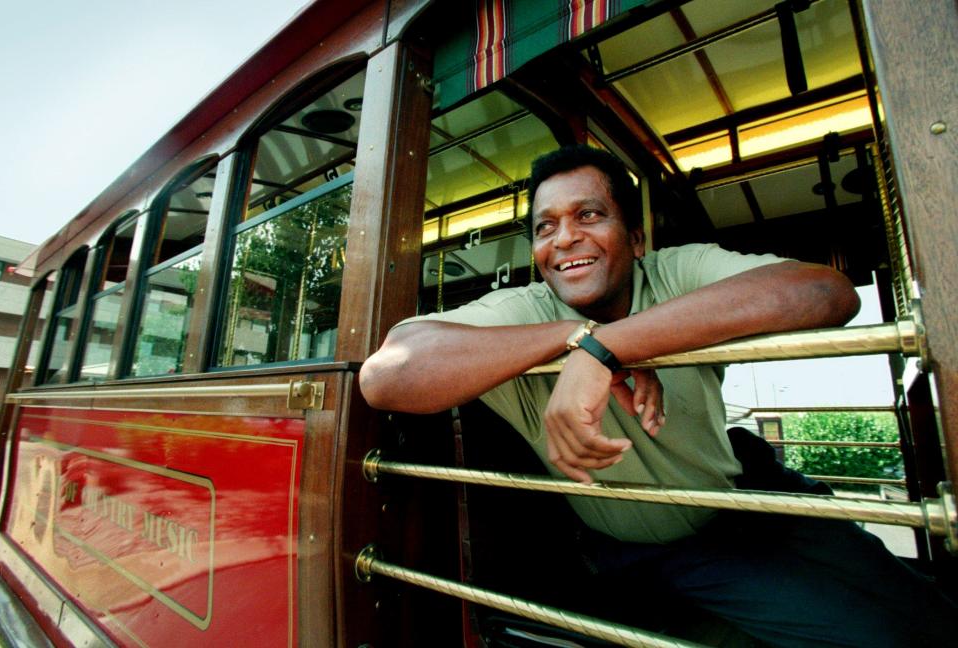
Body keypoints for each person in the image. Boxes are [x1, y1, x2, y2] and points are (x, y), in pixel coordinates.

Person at [359, 145, 956, 646]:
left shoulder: (672, 271)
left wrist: (608, 351)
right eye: (546, 226)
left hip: (753, 484)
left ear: (635, 238)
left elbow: (825, 294)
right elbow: (386, 373)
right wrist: (578, 339)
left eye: (589, 214)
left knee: (920, 602)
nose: (565, 239)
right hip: (663, 542)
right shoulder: (525, 310)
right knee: (879, 635)